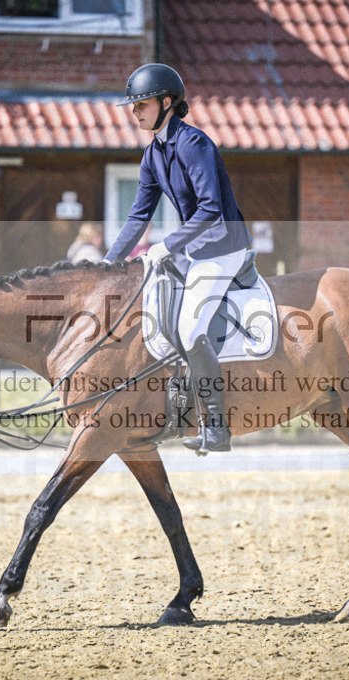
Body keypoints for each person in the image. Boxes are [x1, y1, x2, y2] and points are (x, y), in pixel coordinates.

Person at [103, 63, 252, 453]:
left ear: (167, 102)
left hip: (225, 247)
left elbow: (209, 208)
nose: (135, 112)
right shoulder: (153, 154)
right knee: (157, 315)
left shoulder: (193, 144)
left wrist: (166, 245)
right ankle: (175, 413)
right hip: (196, 251)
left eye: (142, 104)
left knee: (189, 328)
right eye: (132, 107)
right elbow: (138, 216)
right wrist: (107, 263)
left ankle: (217, 428)